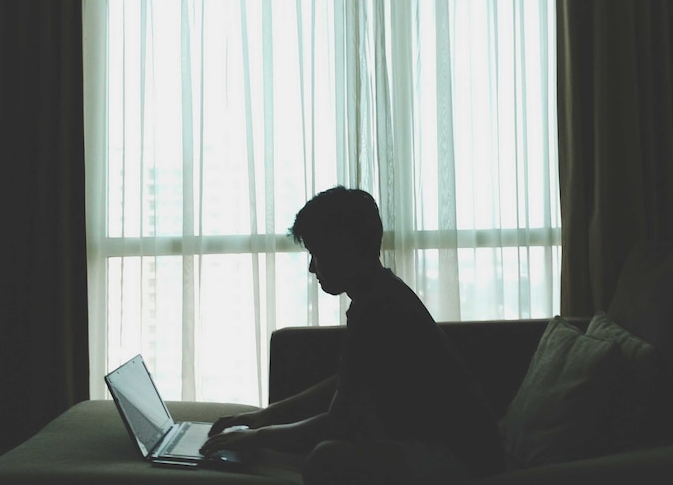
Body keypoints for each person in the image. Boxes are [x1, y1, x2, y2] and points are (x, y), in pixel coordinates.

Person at [201, 186, 503, 484]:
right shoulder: (380, 294)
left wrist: (257, 437)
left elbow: (339, 422)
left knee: (325, 460)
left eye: (315, 253)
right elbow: (348, 383)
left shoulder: (379, 309)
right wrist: (264, 417)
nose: (310, 268)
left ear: (340, 248)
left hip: (464, 460)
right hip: (455, 449)